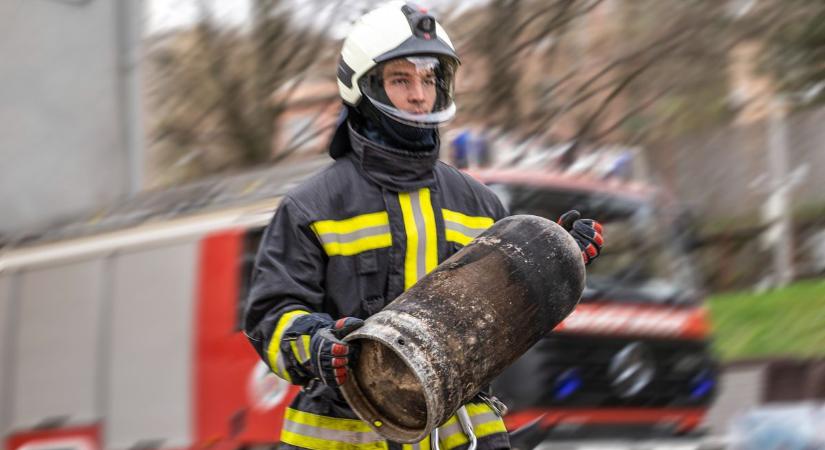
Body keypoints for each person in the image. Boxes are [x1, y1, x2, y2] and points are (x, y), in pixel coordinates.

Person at [243, 2, 604, 450]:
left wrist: (556, 258)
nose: (419, 95)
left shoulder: (480, 202)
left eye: (429, 79)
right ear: (363, 88)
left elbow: (507, 323)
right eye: (401, 80)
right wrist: (317, 345)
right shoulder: (310, 208)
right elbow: (270, 319)